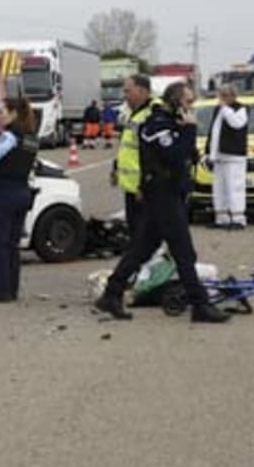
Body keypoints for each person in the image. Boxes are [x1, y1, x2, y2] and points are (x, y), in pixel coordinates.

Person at [94, 82, 230, 323]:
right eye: (188, 102)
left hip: (172, 193)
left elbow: (189, 156)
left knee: (142, 249)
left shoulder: (171, 124)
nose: (191, 108)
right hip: (161, 194)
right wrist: (189, 130)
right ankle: (200, 305)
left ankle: (111, 293)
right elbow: (175, 155)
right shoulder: (156, 125)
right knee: (183, 251)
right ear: (176, 102)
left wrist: (185, 134)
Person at [0, 97, 41, 302]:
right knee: (12, 244)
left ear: (14, 114)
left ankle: (0, 290)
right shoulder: (31, 137)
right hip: (22, 191)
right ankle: (11, 288)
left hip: (3, 192)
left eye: (2, 112)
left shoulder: (9, 137)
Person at [110, 74, 154, 235]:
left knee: (145, 235)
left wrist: (144, 184)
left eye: (128, 91)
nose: (125, 96)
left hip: (143, 189)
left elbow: (151, 154)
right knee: (136, 232)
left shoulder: (150, 115)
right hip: (131, 187)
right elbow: (127, 147)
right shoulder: (134, 114)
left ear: (141, 91)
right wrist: (116, 167)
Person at [206, 85, 250, 229]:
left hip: (234, 157)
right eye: (221, 95)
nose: (222, 98)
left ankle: (238, 218)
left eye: (225, 95)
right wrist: (210, 153)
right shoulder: (218, 110)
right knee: (219, 189)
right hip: (219, 156)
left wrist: (225, 109)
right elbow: (214, 132)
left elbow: (236, 124)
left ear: (233, 96)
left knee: (234, 187)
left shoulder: (240, 109)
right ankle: (221, 217)